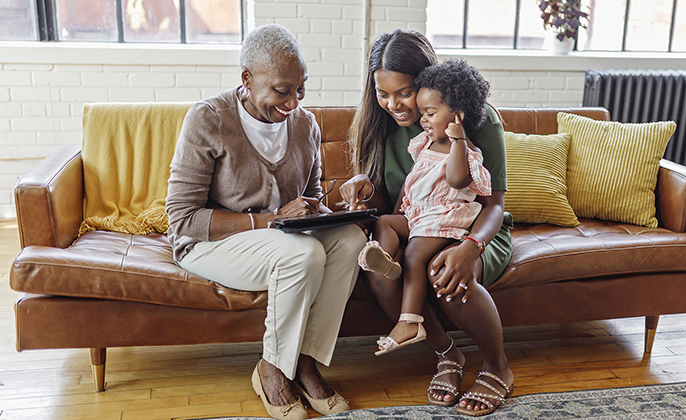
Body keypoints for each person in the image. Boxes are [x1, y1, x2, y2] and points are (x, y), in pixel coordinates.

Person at [166, 24, 366, 420]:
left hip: (284, 240)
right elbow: (183, 219)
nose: (294, 101)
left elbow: (309, 204)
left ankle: (306, 364)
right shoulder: (208, 119)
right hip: (209, 244)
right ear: (246, 79)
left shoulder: (305, 125)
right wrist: (272, 219)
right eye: (282, 90)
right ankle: (271, 369)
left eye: (301, 89)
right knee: (303, 254)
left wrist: (340, 206)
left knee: (350, 239)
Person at [339, 30, 514, 417]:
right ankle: (447, 355)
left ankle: (497, 365)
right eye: (382, 94)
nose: (393, 105)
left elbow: (494, 204)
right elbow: (396, 202)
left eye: (403, 92)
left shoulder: (474, 120)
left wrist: (471, 247)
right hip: (417, 222)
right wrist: (366, 189)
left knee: (445, 272)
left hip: (472, 225)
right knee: (381, 272)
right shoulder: (379, 125)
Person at [357, 59, 493, 359]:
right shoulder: (424, 143)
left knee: (417, 255)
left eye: (430, 113)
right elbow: (412, 182)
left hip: (445, 219)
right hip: (419, 218)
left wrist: (458, 138)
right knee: (385, 223)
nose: (424, 120)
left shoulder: (466, 151)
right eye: (383, 94)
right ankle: (385, 259)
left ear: (456, 115)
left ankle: (410, 322)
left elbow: (458, 180)